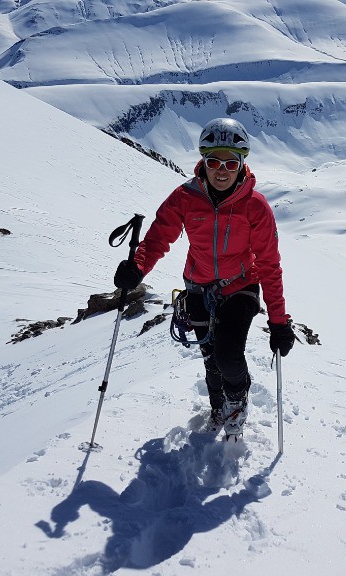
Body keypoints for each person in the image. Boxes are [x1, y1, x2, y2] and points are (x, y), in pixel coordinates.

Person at [114, 118, 295, 439]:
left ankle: (237, 400)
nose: (221, 169)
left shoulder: (255, 207)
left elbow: (269, 264)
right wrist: (137, 268)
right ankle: (217, 404)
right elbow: (159, 237)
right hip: (197, 286)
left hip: (241, 286)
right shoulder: (185, 197)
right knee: (210, 356)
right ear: (203, 161)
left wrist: (279, 322)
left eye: (230, 162)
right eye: (214, 161)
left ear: (242, 163)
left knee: (228, 354)